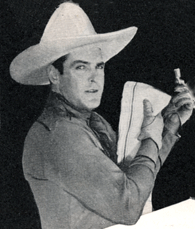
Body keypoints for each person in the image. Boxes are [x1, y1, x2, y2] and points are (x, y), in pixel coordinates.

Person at [9, 2, 193, 229]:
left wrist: (168, 128)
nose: (95, 79)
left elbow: (133, 180)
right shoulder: (62, 133)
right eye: (81, 67)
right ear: (54, 75)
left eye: (99, 66)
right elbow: (128, 206)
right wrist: (151, 138)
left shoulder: (88, 122)